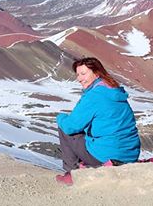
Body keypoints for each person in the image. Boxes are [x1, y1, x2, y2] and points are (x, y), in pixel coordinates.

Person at [55, 57, 140, 185]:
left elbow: (70, 126)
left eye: (83, 74)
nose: (79, 78)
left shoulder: (95, 95)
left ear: (96, 73)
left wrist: (59, 117)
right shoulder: (114, 91)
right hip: (130, 155)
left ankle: (72, 174)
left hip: (107, 156)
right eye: (78, 74)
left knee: (64, 127)